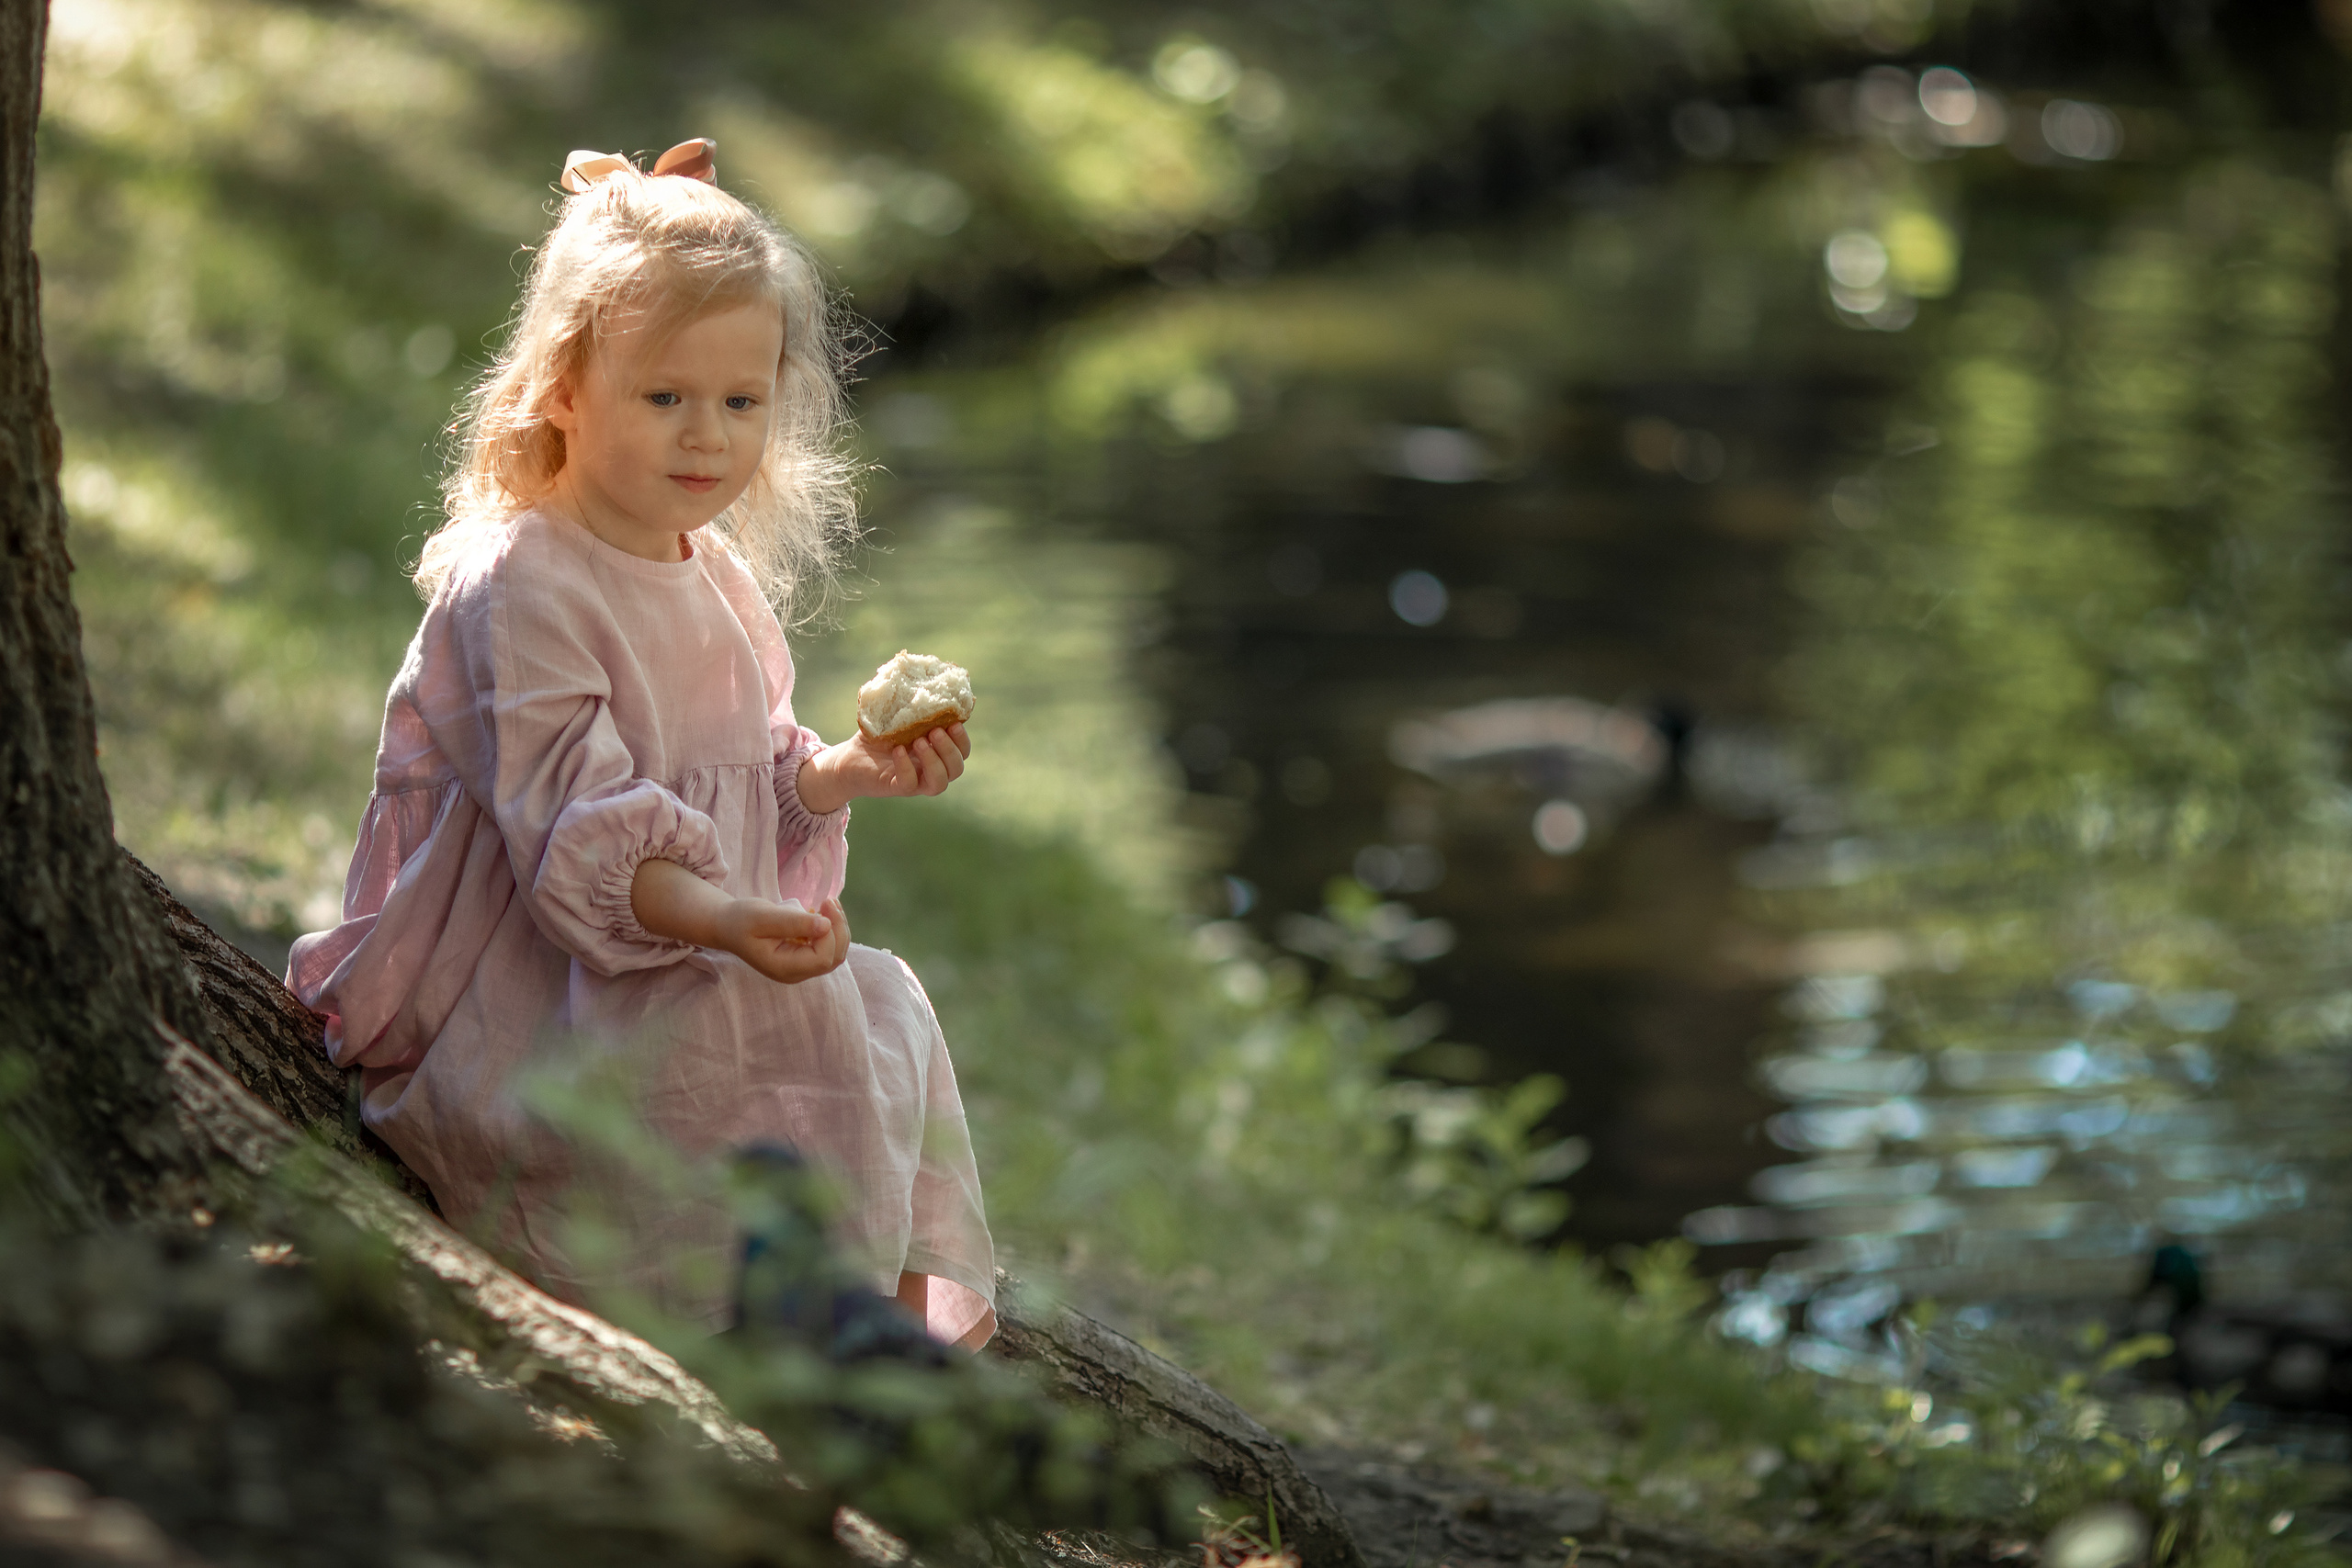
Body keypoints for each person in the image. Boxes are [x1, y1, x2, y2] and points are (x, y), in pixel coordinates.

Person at [287, 139, 996, 1349]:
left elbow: (754, 776)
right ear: (563, 385)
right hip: (532, 992)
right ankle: (753, 1326)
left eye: (741, 402)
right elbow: (580, 834)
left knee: (880, 1007)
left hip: (674, 938)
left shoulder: (705, 568)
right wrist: (726, 923)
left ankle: (844, 1320)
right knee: (786, 1021)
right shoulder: (522, 584)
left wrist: (846, 773)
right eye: (665, 397)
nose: (706, 438)